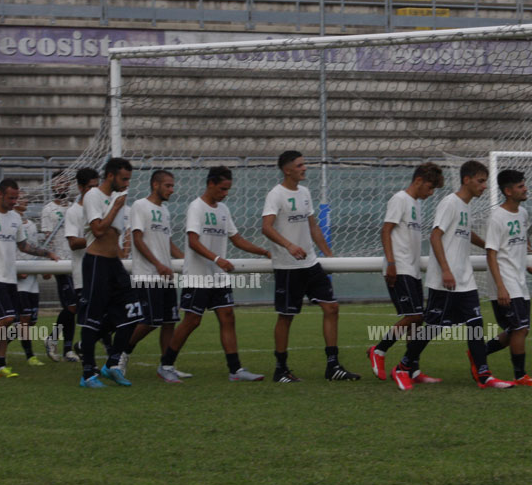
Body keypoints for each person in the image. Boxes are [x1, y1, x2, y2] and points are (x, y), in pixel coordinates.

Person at [391, 160, 514, 391]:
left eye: (485, 182)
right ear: (466, 180)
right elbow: (435, 236)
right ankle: (403, 366)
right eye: (480, 181)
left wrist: (491, 245)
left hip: (464, 280)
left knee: (476, 324)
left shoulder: (465, 207)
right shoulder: (450, 203)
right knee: (433, 327)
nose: (484, 187)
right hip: (446, 281)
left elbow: (466, 234)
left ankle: (484, 375)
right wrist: (446, 270)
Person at [160, 166, 272, 382]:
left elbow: (236, 239)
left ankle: (236, 370)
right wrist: (217, 259)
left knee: (227, 317)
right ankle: (166, 365)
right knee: (192, 321)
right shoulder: (196, 207)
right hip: (197, 275)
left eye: (228, 189)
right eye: (222, 189)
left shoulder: (223, 210)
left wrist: (264, 251)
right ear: (210, 184)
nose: (225, 194)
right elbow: (193, 242)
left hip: (218, 277)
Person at [262, 150, 359, 383]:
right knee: (286, 316)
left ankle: (333, 366)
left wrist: (328, 254)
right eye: (300, 165)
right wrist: (289, 246)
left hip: (310, 263)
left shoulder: (305, 192)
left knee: (332, 308)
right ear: (287, 170)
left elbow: (313, 226)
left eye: (304, 164)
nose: (305, 168)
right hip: (287, 267)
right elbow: (266, 227)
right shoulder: (275, 194)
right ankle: (280, 369)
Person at [0, 179, 58, 378]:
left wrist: (46, 253)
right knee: (6, 317)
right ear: (0, 195)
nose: (14, 201)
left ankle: (0, 364)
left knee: (8, 320)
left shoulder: (15, 217)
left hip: (9, 277)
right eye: (11, 198)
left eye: (16, 197)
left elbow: (24, 246)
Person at [366, 162, 444, 382]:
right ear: (418, 181)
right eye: (429, 188)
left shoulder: (415, 204)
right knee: (414, 316)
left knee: (417, 320)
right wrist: (391, 263)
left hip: (412, 269)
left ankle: (412, 369)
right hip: (399, 267)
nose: (430, 193)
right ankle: (379, 350)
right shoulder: (399, 199)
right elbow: (386, 230)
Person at [77, 157, 142, 388]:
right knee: (92, 318)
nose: (126, 184)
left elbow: (115, 234)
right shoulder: (94, 195)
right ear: (111, 176)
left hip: (114, 264)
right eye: (123, 179)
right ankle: (87, 374)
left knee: (134, 312)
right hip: (96, 263)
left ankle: (112, 364)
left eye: (129, 180)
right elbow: (98, 230)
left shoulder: (118, 198)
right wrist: (115, 206)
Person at [480, 169, 532, 386]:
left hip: (519, 281)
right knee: (519, 329)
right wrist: (500, 287)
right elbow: (491, 253)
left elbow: (521, 241)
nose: (525, 188)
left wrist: (529, 263)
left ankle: (478, 353)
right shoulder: (496, 217)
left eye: (524, 184)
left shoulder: (523, 213)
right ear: (508, 191)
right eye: (520, 186)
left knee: (518, 329)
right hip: (505, 282)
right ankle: (520, 375)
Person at [121, 170, 184, 378]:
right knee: (150, 321)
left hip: (165, 275)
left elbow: (168, 242)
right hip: (147, 275)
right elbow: (137, 239)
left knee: (169, 321)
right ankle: (121, 352)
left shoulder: (164, 211)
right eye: (168, 185)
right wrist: (157, 264)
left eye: (172, 186)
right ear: (155, 185)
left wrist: (186, 260)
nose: (172, 190)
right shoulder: (140, 206)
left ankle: (166, 366)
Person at [63, 167, 101, 363]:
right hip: (83, 275)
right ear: (79, 187)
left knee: (109, 316)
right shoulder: (73, 212)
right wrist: (97, 238)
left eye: (96, 187)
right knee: (90, 319)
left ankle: (84, 348)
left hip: (102, 272)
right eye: (89, 188)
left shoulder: (102, 208)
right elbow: (73, 243)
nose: (93, 192)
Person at [41, 186, 76, 362]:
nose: (62, 187)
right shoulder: (49, 209)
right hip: (59, 262)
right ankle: (53, 339)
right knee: (71, 306)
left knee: (72, 307)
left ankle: (68, 349)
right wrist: (49, 262)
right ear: (53, 187)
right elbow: (48, 237)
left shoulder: (74, 207)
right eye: (58, 183)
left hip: (75, 260)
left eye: (64, 183)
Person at [15, 195, 46, 367]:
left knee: (31, 321)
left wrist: (43, 267)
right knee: (24, 319)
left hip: (32, 277)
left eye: (26, 198)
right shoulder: (12, 222)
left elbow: (33, 248)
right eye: (20, 198)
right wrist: (16, 271)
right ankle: (30, 355)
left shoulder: (32, 225)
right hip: (20, 277)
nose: (25, 201)